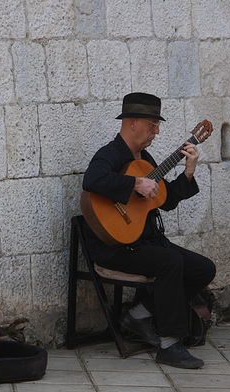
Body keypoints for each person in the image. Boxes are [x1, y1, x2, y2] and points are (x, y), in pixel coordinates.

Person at [82, 92, 216, 369]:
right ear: (132, 123)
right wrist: (134, 185)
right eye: (151, 125)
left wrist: (188, 173)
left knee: (203, 269)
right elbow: (92, 179)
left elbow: (164, 202)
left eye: (157, 126)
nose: (156, 131)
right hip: (114, 248)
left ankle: (139, 313)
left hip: (143, 243)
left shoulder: (146, 159)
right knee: (170, 262)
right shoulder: (110, 154)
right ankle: (169, 345)